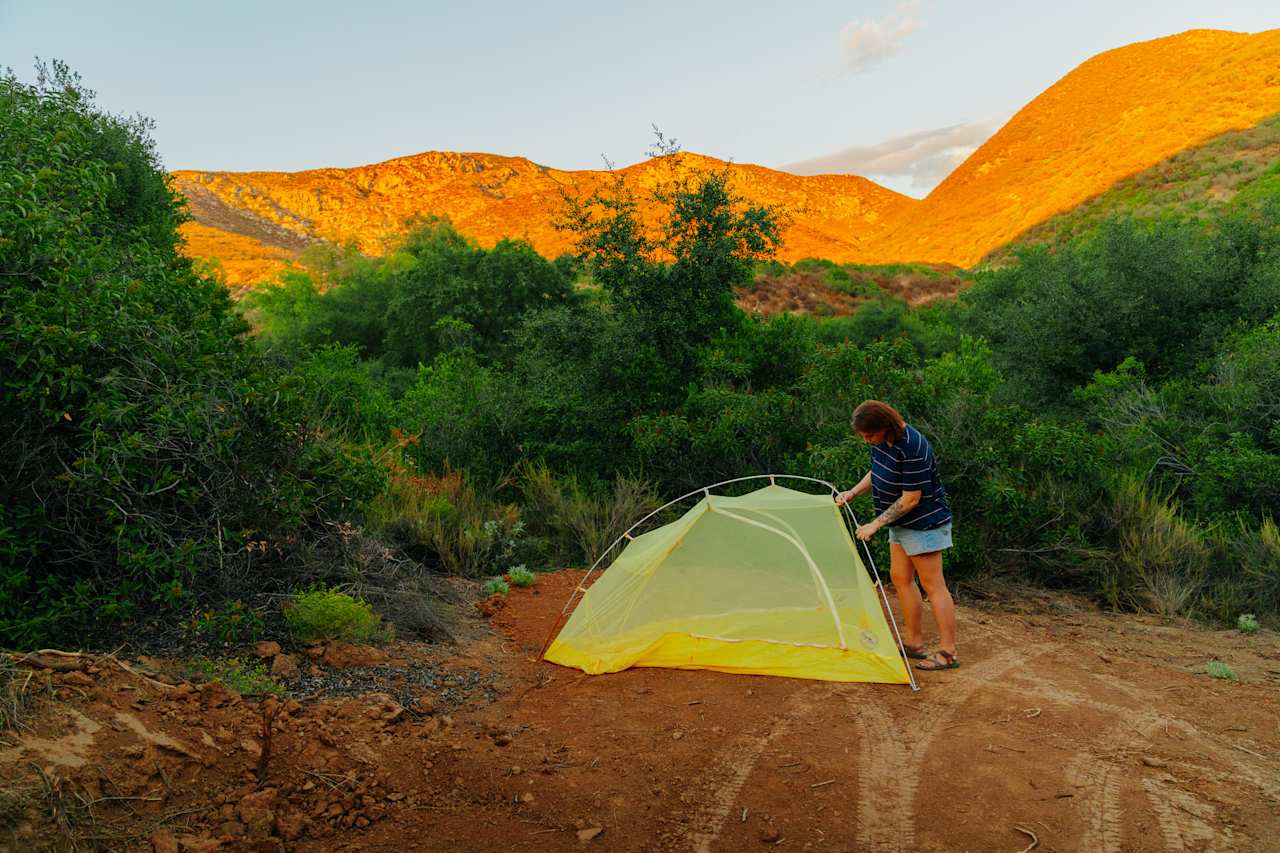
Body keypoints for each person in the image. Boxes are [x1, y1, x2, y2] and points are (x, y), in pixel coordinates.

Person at [835, 400, 958, 671]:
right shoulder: (882, 441)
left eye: (870, 435)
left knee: (933, 585)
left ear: (884, 426)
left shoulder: (913, 446)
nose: (867, 441)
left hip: (923, 522)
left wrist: (875, 525)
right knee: (901, 578)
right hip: (900, 523)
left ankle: (948, 652)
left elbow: (912, 499)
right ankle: (914, 643)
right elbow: (877, 471)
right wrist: (852, 493)